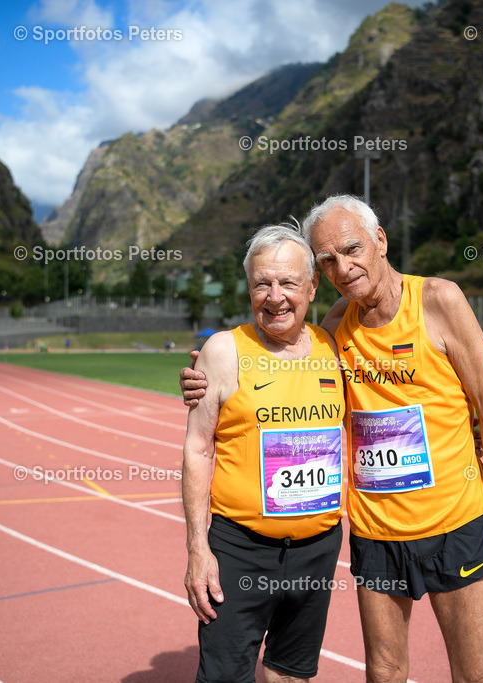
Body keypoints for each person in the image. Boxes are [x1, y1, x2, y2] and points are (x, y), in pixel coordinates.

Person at [181, 196, 483, 682]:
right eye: (328, 260)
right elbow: (271, 364)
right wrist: (199, 378)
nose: (344, 267)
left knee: (477, 675)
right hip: (375, 531)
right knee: (383, 672)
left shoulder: (439, 301)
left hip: (456, 522)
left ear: (380, 240)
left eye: (352, 249)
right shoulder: (334, 329)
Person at [183, 224, 346, 683]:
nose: (275, 297)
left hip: (318, 547)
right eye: (262, 284)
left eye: (288, 283)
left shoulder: (334, 347)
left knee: (291, 673)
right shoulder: (222, 352)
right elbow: (197, 450)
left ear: (313, 287)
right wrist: (198, 548)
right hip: (240, 550)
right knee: (224, 677)